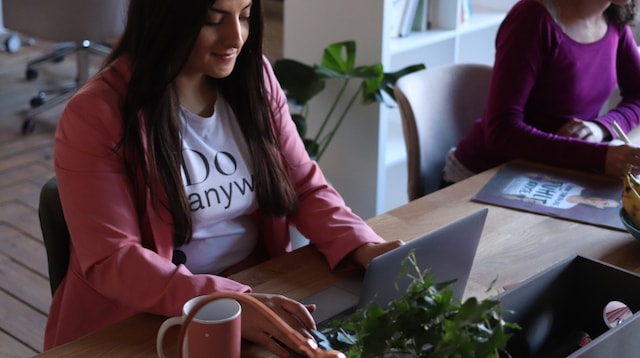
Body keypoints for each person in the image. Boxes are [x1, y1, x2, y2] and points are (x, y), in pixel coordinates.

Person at [44, 0, 402, 355]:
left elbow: (303, 186)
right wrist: (223, 300)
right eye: (214, 20)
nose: (236, 37)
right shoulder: (95, 114)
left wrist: (364, 246)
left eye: (245, 16)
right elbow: (113, 259)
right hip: (140, 319)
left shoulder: (253, 77)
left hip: (253, 287)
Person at [443, 0, 640, 186]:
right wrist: (599, 157)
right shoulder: (531, 18)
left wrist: (600, 128)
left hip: (554, 175)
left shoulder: (613, 19)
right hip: (484, 177)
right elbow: (500, 132)